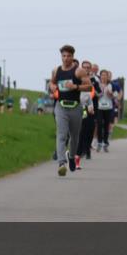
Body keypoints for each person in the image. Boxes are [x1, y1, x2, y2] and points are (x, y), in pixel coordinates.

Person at [49, 45, 92, 176]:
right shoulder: (57, 70)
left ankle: (72, 157)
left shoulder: (78, 71)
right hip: (61, 106)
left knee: (74, 137)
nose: (66, 58)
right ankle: (62, 163)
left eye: (68, 56)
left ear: (73, 57)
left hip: (75, 107)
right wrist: (53, 87)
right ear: (61, 56)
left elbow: (89, 87)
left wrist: (75, 86)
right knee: (61, 134)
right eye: (64, 56)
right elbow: (51, 82)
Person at [75, 60, 99, 168]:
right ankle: (79, 154)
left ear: (90, 69)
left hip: (92, 106)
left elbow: (97, 92)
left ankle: (87, 148)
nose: (86, 69)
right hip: (81, 107)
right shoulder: (77, 78)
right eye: (84, 67)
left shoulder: (94, 80)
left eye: (88, 67)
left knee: (90, 128)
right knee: (83, 128)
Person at [95, 69, 117, 152]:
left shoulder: (111, 85)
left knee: (107, 126)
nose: (104, 76)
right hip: (99, 107)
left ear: (108, 77)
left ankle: (105, 143)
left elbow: (115, 95)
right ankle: (99, 142)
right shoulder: (97, 84)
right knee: (99, 125)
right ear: (100, 76)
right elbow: (95, 95)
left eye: (105, 75)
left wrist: (111, 94)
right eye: (102, 75)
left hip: (108, 107)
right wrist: (100, 93)